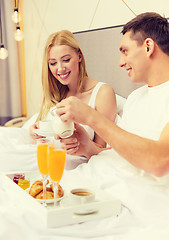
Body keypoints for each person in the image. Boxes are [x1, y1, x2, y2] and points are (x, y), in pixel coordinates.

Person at [55, 12, 169, 177]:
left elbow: (159, 161)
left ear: (148, 47)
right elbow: (117, 154)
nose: (120, 62)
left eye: (125, 51)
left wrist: (92, 117)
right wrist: (87, 147)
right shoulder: (136, 98)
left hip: (119, 192)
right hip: (93, 177)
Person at [29, 30, 117, 157]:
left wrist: (82, 146)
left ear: (79, 56)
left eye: (66, 60)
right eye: (53, 63)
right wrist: (37, 134)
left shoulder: (103, 93)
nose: (60, 69)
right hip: (52, 161)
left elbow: (101, 150)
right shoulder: (57, 95)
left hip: (77, 165)